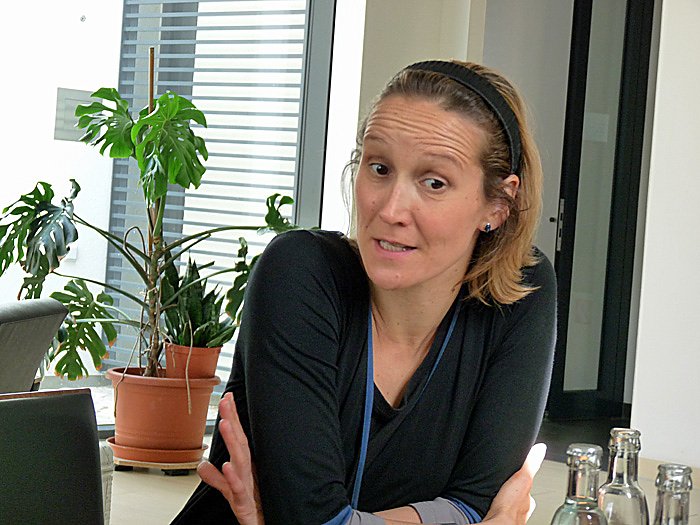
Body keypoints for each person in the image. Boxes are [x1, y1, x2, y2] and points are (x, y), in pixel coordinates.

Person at [171, 60, 556, 525]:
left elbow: (477, 502)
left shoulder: (522, 292)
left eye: (434, 182)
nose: (391, 209)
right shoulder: (300, 273)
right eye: (379, 168)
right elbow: (313, 518)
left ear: (498, 203)